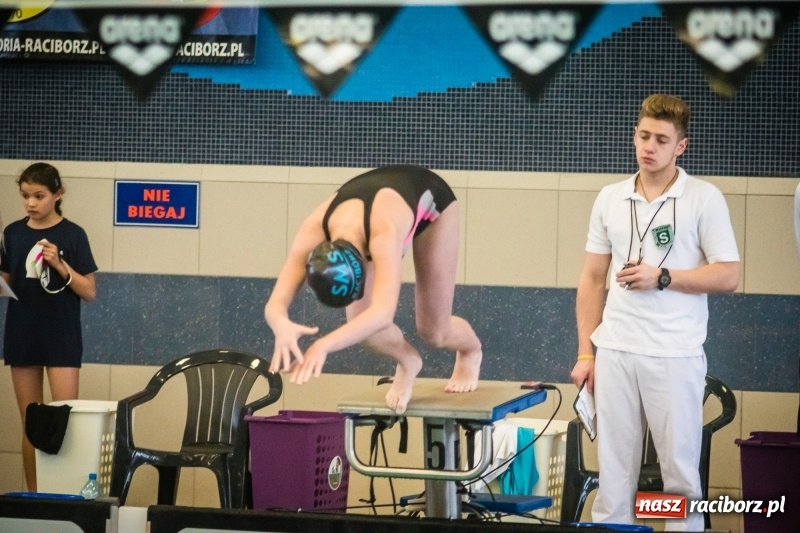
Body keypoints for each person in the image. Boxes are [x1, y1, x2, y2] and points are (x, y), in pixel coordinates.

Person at [570, 94, 739, 531]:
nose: (649, 146)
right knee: (613, 476)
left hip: (674, 353)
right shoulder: (610, 198)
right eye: (644, 136)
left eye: (661, 140)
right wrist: (586, 354)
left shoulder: (703, 198)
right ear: (634, 136)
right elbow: (592, 278)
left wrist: (662, 276)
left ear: (681, 146)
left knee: (677, 475)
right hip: (615, 350)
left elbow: (729, 275)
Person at [264, 164, 482, 415]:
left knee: (434, 331)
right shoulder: (313, 230)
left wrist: (323, 346)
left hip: (432, 203)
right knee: (363, 327)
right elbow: (275, 303)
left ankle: (470, 350)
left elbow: (382, 314)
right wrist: (280, 324)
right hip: (377, 212)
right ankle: (409, 361)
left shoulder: (383, 234)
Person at [1, 162, 98, 491]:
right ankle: (35, 496)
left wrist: (59, 263)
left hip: (61, 335)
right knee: (31, 423)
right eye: (25, 195)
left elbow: (89, 291)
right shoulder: (13, 233)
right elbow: (7, 281)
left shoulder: (73, 234)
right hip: (22, 332)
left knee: (62, 421)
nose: (30, 203)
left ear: (58, 194)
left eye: (39, 196)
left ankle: (63, 495)